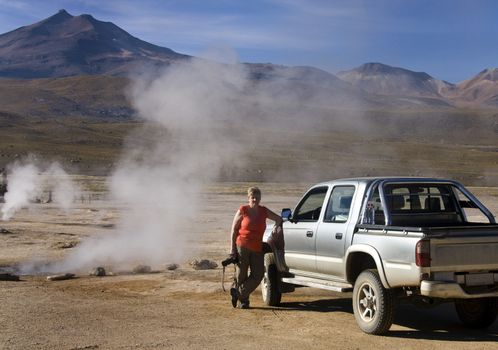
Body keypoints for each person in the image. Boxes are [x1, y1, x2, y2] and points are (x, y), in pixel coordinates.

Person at [229, 186, 282, 309]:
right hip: (242, 246)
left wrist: (275, 226)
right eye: (252, 197)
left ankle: (238, 293)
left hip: (257, 247)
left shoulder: (264, 211)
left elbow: (278, 218)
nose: (255, 199)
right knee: (241, 274)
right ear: (248, 198)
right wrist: (232, 248)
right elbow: (234, 230)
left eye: (257, 197)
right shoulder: (243, 210)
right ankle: (244, 301)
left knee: (257, 275)